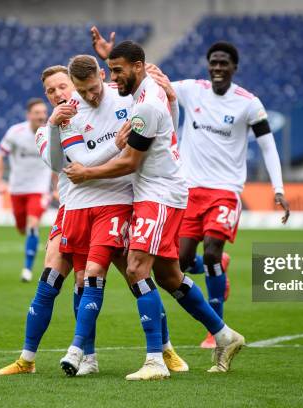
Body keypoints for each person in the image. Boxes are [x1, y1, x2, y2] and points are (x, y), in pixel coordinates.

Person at [91, 30, 289, 348]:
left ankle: (201, 337)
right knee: (177, 267)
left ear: (234, 67)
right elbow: (144, 76)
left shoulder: (249, 103)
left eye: (224, 63)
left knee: (205, 252)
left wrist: (278, 187)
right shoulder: (190, 90)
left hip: (221, 190)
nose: (217, 68)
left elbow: (267, 145)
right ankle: (222, 329)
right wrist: (110, 55)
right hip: (189, 186)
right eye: (213, 62)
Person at [64, 41, 245, 381]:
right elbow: (169, 124)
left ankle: (155, 361)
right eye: (111, 70)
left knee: (135, 268)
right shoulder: (149, 90)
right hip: (159, 190)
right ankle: (224, 335)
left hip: (158, 193)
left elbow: (130, 161)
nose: (114, 78)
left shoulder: (145, 104)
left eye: (118, 71)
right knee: (168, 276)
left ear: (138, 66)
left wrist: (87, 173)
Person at [56, 55, 188, 376]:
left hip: (124, 201)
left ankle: (161, 352)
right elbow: (75, 161)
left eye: (93, 88)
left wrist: (169, 98)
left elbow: (150, 113)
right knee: (88, 278)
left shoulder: (125, 95)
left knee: (135, 273)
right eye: (80, 90)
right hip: (82, 205)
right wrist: (52, 125)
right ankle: (87, 356)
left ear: (103, 76)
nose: (90, 96)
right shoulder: (68, 113)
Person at [0, 65, 88, 375]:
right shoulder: (39, 130)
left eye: (63, 86)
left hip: (110, 209)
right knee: (51, 280)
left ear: (75, 84)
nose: (59, 94)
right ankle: (27, 359)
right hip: (71, 209)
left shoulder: (98, 111)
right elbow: (58, 164)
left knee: (141, 276)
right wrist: (51, 125)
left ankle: (161, 351)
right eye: (51, 91)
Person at [0, 98, 55, 282]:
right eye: (37, 113)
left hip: (39, 188)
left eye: (44, 112)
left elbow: (56, 162)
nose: (41, 116)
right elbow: (0, 156)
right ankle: (30, 241)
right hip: (17, 189)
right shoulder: (15, 133)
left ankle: (27, 270)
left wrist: (56, 187)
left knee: (32, 224)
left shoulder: (51, 133)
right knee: (22, 228)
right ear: (29, 115)